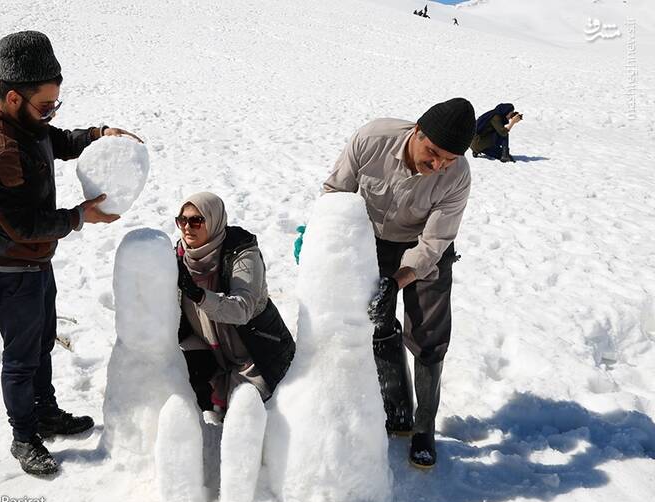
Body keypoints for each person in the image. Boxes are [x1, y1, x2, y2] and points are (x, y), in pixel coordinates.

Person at [0, 30, 141, 475]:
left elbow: (54, 140)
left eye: (54, 104)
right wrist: (80, 217)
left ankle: (45, 412)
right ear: (13, 97)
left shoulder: (25, 124)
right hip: (5, 268)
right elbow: (24, 226)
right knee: (21, 357)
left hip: (34, 261)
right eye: (45, 106)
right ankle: (24, 437)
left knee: (42, 341)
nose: (51, 114)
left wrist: (97, 136)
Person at [322, 98, 475, 468]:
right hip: (371, 237)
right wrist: (321, 236)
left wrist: (399, 278)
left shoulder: (456, 176)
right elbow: (336, 193)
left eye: (448, 160)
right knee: (377, 320)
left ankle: (424, 427)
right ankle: (398, 410)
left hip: (424, 246)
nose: (437, 165)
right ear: (417, 132)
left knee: (428, 337)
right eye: (433, 152)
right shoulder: (372, 139)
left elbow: (434, 242)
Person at [174, 193, 295, 424]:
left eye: (196, 220)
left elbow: (242, 310)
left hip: (256, 359)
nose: (187, 227)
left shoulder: (242, 255)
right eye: (182, 220)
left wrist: (197, 294)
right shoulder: (179, 258)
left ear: (214, 221)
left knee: (243, 421)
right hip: (212, 356)